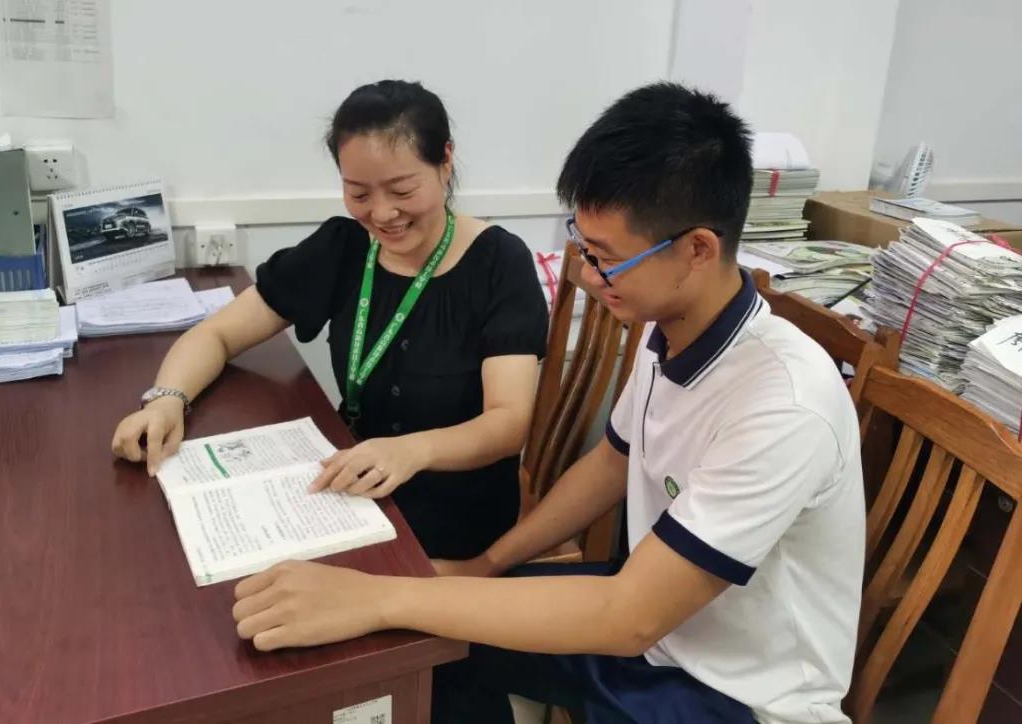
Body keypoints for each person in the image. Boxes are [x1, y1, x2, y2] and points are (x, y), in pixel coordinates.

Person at [230, 82, 866, 723]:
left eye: (607, 258)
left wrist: (378, 597)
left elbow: (627, 618)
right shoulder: (670, 330)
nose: (588, 274)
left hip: (732, 694)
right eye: (583, 246)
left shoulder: (784, 405)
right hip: (657, 632)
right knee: (427, 642)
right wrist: (485, 565)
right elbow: (610, 464)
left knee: (405, 623)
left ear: (697, 249)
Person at [111, 80, 549, 561]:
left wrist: (410, 451)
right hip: (349, 489)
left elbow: (508, 422)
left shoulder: (497, 263)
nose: (382, 214)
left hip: (454, 514)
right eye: (358, 193)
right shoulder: (343, 248)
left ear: (445, 161)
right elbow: (217, 333)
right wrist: (167, 401)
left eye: (402, 190)